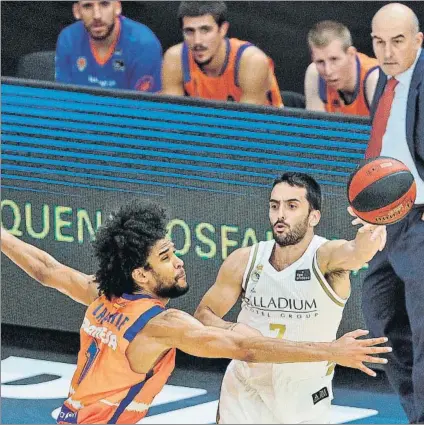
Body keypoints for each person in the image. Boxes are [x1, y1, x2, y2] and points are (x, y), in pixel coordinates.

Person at [1, 199, 391, 424]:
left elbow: (46, 270)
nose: (180, 262)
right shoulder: (162, 325)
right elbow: (247, 349)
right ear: (141, 273)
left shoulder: (101, 293)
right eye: (167, 257)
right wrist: (332, 351)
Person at [194, 172, 388, 424]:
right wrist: (233, 329)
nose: (280, 215)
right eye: (275, 206)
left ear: (313, 216)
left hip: (304, 393)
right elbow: (203, 313)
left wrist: (371, 228)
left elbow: (357, 252)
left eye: (292, 206)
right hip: (246, 387)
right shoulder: (245, 260)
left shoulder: (325, 257)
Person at [363, 3, 424, 423]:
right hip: (387, 221)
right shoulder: (384, 80)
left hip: (421, 218)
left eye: (397, 41)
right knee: (380, 322)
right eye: (379, 42)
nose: (387, 51)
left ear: (419, 40)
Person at [161, 1, 283, 107]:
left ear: (223, 29)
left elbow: (247, 126)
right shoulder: (175, 58)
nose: (197, 41)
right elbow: (171, 117)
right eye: (189, 31)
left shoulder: (252, 61)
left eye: (205, 30)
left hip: (266, 130)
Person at [55, 1, 162, 92]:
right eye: (87, 6)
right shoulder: (68, 38)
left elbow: (144, 108)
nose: (97, 15)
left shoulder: (144, 44)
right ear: (77, 11)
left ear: (117, 7)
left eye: (104, 4)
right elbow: (64, 98)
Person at [304, 20, 379, 116]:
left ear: (351, 54)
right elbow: (315, 128)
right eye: (320, 62)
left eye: (334, 59)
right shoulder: (315, 73)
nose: (328, 71)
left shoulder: (374, 78)